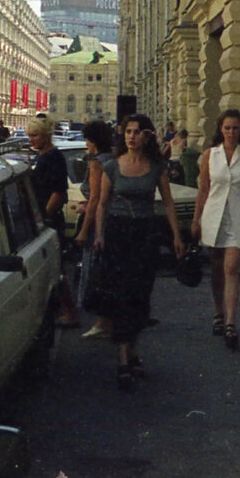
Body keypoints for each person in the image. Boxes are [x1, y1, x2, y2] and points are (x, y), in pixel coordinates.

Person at [92, 113, 186, 389]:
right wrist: (99, 234)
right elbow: (101, 204)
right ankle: (123, 358)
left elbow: (168, 203)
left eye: (136, 132)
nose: (131, 136)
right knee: (121, 294)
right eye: (127, 131)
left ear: (147, 136)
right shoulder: (111, 166)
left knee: (140, 294)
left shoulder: (156, 167)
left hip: (145, 234)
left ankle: (132, 351)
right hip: (118, 234)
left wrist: (177, 236)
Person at [192, 109, 240, 350]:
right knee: (217, 268)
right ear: (221, 129)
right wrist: (196, 219)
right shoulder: (210, 155)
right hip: (213, 215)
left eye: (236, 128)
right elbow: (203, 189)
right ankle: (218, 313)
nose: (231, 132)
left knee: (231, 268)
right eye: (227, 128)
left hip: (238, 216)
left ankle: (231, 322)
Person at [26, 116, 81, 328]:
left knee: (56, 266)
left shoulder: (53, 157)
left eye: (34, 135)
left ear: (46, 136)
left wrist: (43, 218)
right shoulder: (41, 156)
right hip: (42, 218)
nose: (30, 139)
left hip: (48, 220)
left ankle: (70, 311)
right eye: (30, 135)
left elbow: (58, 193)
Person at [75, 119, 116, 339]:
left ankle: (102, 321)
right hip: (113, 219)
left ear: (94, 141)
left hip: (98, 223)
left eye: (87, 140)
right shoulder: (113, 158)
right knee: (108, 272)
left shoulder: (96, 163)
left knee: (95, 271)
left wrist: (83, 231)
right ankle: (109, 319)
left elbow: (95, 198)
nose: (86, 145)